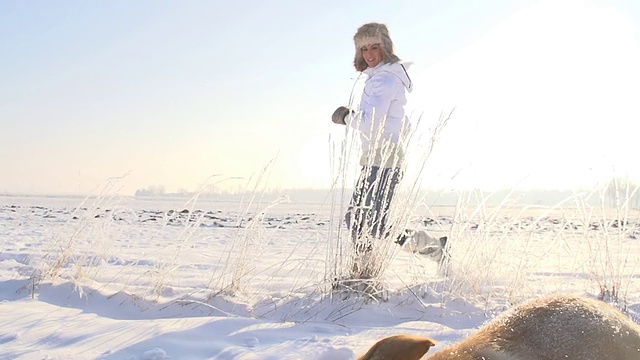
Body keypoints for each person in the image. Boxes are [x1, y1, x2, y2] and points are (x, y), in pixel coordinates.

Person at [331, 22, 412, 277]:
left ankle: (362, 272)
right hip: (382, 157)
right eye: (364, 48)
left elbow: (370, 124)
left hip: (382, 159)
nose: (369, 54)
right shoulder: (384, 77)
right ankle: (433, 248)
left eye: (374, 46)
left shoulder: (383, 81)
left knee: (361, 220)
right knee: (370, 222)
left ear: (385, 47)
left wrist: (345, 116)